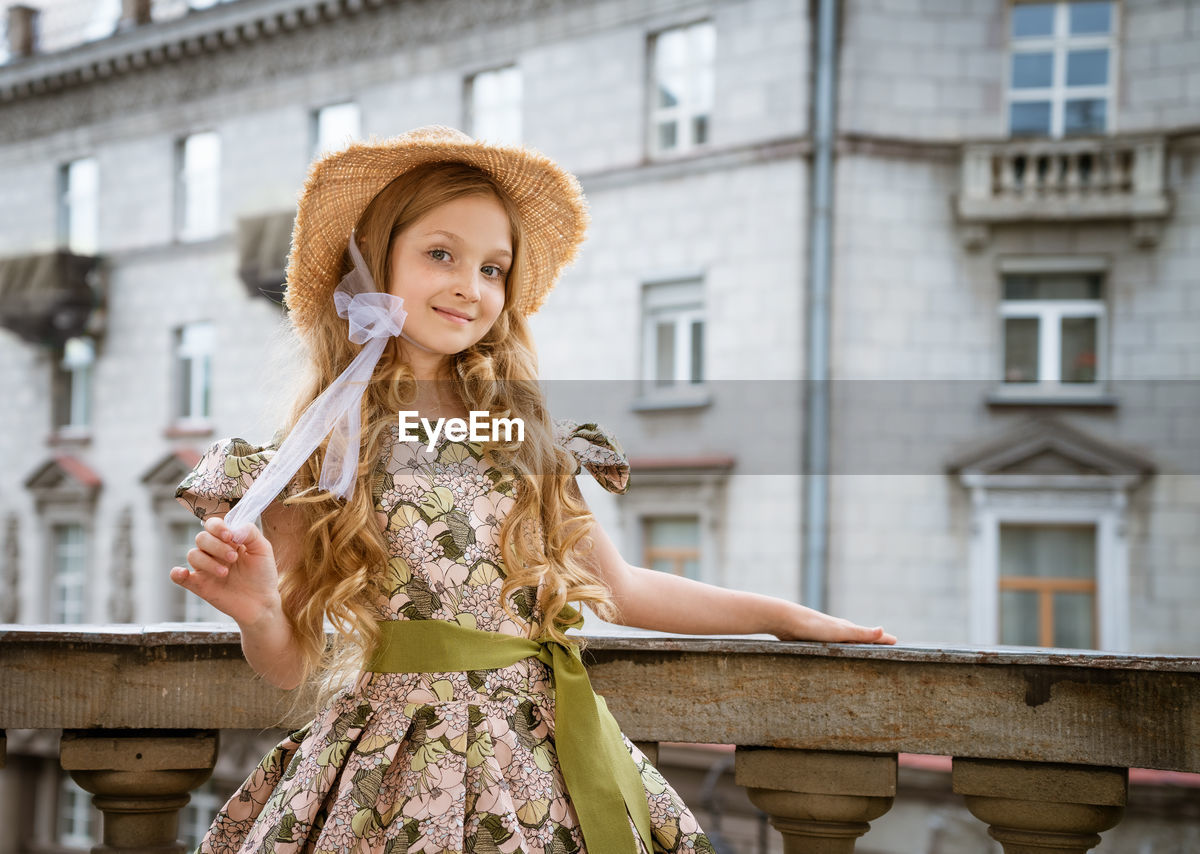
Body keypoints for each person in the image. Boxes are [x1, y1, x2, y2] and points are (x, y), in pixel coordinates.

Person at [171, 125, 897, 854]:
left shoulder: (522, 436)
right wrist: (260, 612)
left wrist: (784, 617)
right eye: (440, 254)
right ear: (372, 261)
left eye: (493, 269)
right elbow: (290, 662)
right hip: (388, 775)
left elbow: (623, 590)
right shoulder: (328, 447)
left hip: (539, 764)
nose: (469, 285)